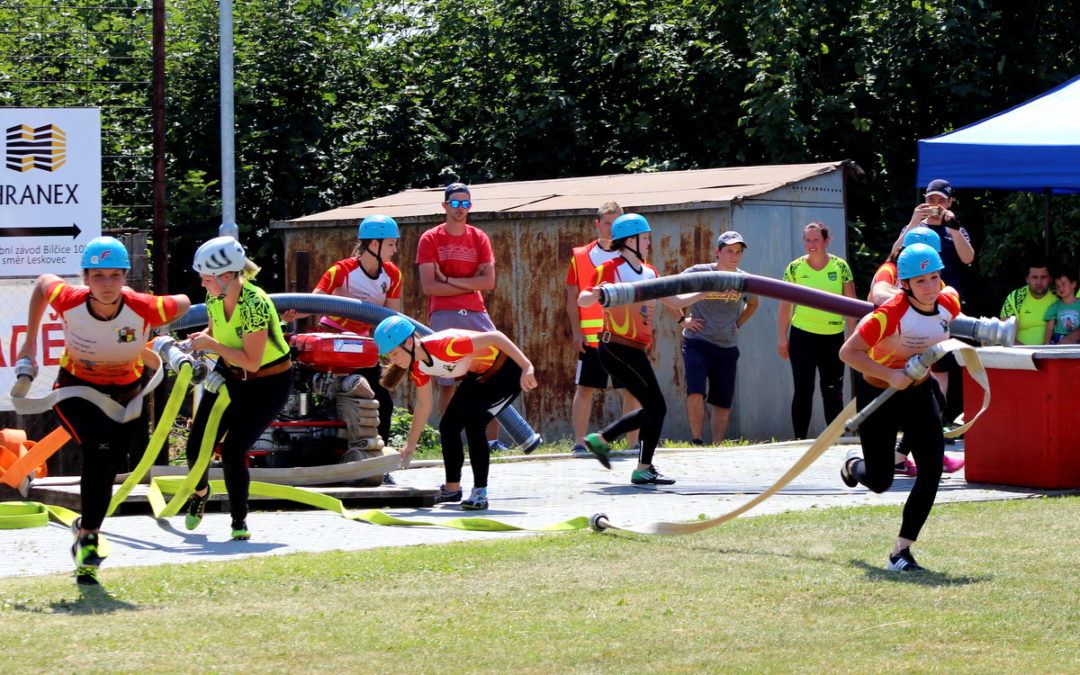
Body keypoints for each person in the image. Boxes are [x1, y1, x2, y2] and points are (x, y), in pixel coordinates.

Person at [15, 236, 190, 585]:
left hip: (127, 394)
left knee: (109, 465)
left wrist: (150, 341)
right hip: (75, 388)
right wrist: (29, 342)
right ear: (85, 278)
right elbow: (41, 282)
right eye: (98, 276)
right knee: (99, 449)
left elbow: (184, 302)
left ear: (125, 277)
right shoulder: (68, 298)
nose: (107, 284)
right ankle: (90, 540)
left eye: (114, 275)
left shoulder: (144, 306)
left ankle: (85, 528)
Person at [839, 243, 962, 573]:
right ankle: (853, 465)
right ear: (905, 284)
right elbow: (848, 353)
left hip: (918, 391)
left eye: (935, 277)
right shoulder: (888, 314)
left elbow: (953, 324)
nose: (931, 287)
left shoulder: (948, 301)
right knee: (880, 482)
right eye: (921, 281)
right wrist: (889, 374)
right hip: (879, 393)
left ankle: (901, 551)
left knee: (932, 468)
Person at [577, 213, 704, 484]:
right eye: (645, 237)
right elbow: (583, 298)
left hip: (634, 349)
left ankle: (601, 439)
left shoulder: (650, 272)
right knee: (656, 406)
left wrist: (711, 287)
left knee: (653, 407)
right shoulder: (610, 268)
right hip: (614, 347)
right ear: (631, 240)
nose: (649, 242)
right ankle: (642, 467)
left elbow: (676, 300)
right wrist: (599, 292)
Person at [181, 236, 293, 541]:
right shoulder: (214, 299)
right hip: (230, 376)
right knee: (195, 448)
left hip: (266, 384)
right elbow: (216, 333)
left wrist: (212, 344)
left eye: (207, 279)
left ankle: (239, 519)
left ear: (227, 276)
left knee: (233, 451)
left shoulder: (255, 303)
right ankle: (200, 493)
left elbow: (252, 361)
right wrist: (196, 341)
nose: (203, 285)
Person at [373, 316, 537, 510]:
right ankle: (452, 489)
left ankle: (480, 492)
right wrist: (410, 444)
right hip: (479, 375)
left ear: (409, 342)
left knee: (474, 423)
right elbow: (424, 405)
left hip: (508, 372)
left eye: (393, 354)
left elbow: (496, 337)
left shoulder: (446, 346)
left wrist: (527, 366)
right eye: (389, 356)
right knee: (448, 426)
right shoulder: (417, 367)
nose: (393, 360)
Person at [296, 214, 402, 481]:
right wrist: (291, 312)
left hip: (363, 349)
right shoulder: (341, 270)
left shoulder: (392, 274)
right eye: (391, 244)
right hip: (332, 344)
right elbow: (313, 301)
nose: (395, 250)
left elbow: (393, 320)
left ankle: (378, 464)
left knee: (383, 402)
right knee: (334, 402)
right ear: (374, 245)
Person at [415, 183, 506, 451]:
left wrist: (449, 279)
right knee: (447, 378)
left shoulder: (479, 237)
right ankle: (450, 438)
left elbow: (488, 282)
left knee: (494, 370)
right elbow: (430, 286)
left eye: (465, 203)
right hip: (444, 313)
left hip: (476, 311)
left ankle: (492, 441)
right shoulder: (430, 238)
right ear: (444, 206)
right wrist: (469, 282)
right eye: (455, 203)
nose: (460, 209)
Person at [867, 226, 964, 477]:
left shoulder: (928, 277)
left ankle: (910, 455)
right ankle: (872, 462)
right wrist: (914, 304)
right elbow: (879, 295)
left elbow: (939, 302)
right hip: (885, 354)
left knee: (935, 399)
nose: (928, 268)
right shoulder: (890, 270)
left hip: (917, 348)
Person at [564, 201, 640, 454]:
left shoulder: (630, 254)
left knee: (630, 389)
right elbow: (571, 297)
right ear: (597, 224)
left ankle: (632, 444)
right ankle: (578, 443)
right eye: (607, 223)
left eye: (616, 223)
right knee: (585, 388)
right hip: (592, 338)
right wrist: (577, 332)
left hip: (623, 336)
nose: (610, 228)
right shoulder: (581, 256)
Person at [677, 231, 759, 444]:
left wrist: (738, 323)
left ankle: (716, 445)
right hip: (697, 341)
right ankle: (696, 440)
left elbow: (753, 303)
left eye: (738, 252)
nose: (734, 256)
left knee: (722, 399)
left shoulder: (743, 279)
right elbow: (671, 293)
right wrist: (682, 320)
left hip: (726, 345)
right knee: (695, 390)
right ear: (717, 252)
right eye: (729, 251)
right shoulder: (698, 272)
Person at [777, 222, 856, 439]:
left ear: (826, 241)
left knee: (832, 391)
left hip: (833, 337)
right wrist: (782, 338)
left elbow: (851, 302)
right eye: (808, 240)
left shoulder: (840, 267)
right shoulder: (794, 268)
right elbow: (785, 304)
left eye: (816, 240)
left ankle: (836, 439)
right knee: (803, 390)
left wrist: (852, 335)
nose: (812, 245)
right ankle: (800, 440)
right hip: (803, 335)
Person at [1000, 263, 1054, 345]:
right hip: (1021, 353)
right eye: (1034, 277)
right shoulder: (1015, 298)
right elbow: (1004, 334)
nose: (1039, 282)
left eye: (1043, 277)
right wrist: (1027, 353)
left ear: (1050, 279)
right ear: (1027, 279)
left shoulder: (1060, 296)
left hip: (1054, 353)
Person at [1043, 268, 1080, 344]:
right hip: (1058, 339)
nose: (1060, 288)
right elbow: (1050, 328)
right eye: (1057, 286)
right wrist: (1046, 344)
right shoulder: (1054, 307)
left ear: (1073, 284)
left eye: (1063, 284)